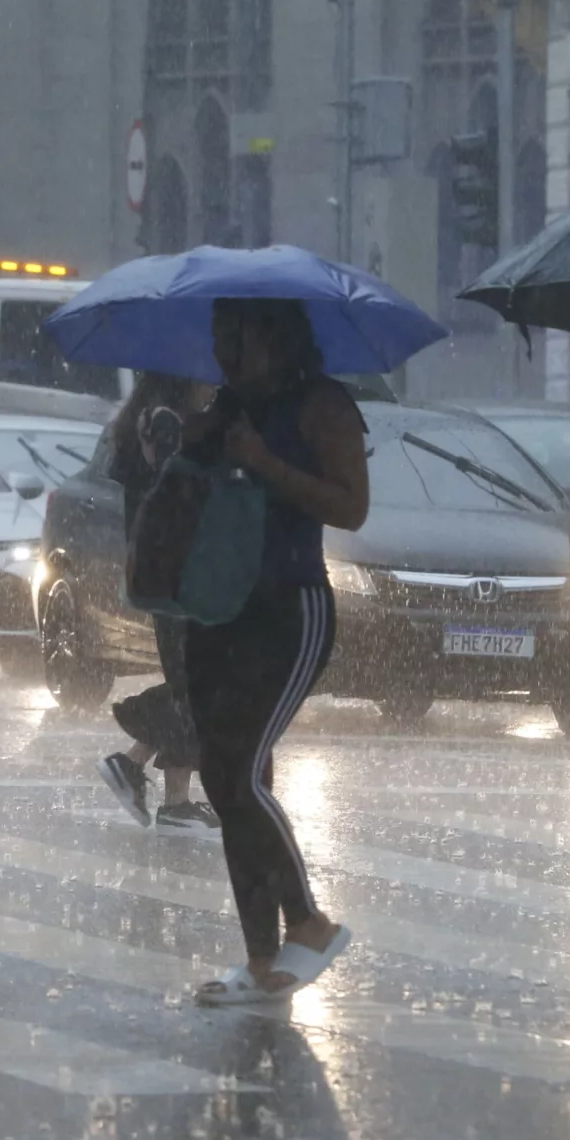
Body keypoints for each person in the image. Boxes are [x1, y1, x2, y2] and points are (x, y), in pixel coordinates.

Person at [178, 298, 369, 1006]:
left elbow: (350, 506)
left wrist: (264, 462)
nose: (226, 349)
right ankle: (261, 959)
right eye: (218, 333)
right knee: (230, 783)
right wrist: (191, 444)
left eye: (240, 335)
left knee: (238, 773)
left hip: (290, 609)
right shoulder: (228, 404)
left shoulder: (322, 407)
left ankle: (310, 922)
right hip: (218, 607)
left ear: (277, 336)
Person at [93, 372, 218, 829]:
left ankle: (174, 799)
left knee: (191, 684)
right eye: (209, 381)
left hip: (162, 572)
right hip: (178, 574)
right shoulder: (165, 424)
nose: (214, 388)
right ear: (184, 379)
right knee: (198, 685)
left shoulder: (147, 420)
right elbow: (177, 494)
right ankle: (130, 763)